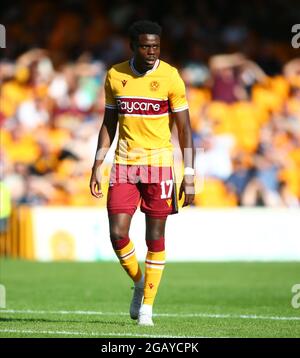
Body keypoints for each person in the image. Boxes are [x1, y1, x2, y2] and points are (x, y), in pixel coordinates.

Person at [90, 20, 195, 326]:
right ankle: (139, 281)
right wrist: (97, 163)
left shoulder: (171, 77)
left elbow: (185, 128)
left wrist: (189, 171)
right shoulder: (115, 75)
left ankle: (147, 307)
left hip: (159, 165)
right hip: (124, 165)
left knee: (155, 237)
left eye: (156, 46)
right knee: (117, 233)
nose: (152, 52)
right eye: (146, 46)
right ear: (132, 46)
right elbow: (109, 123)